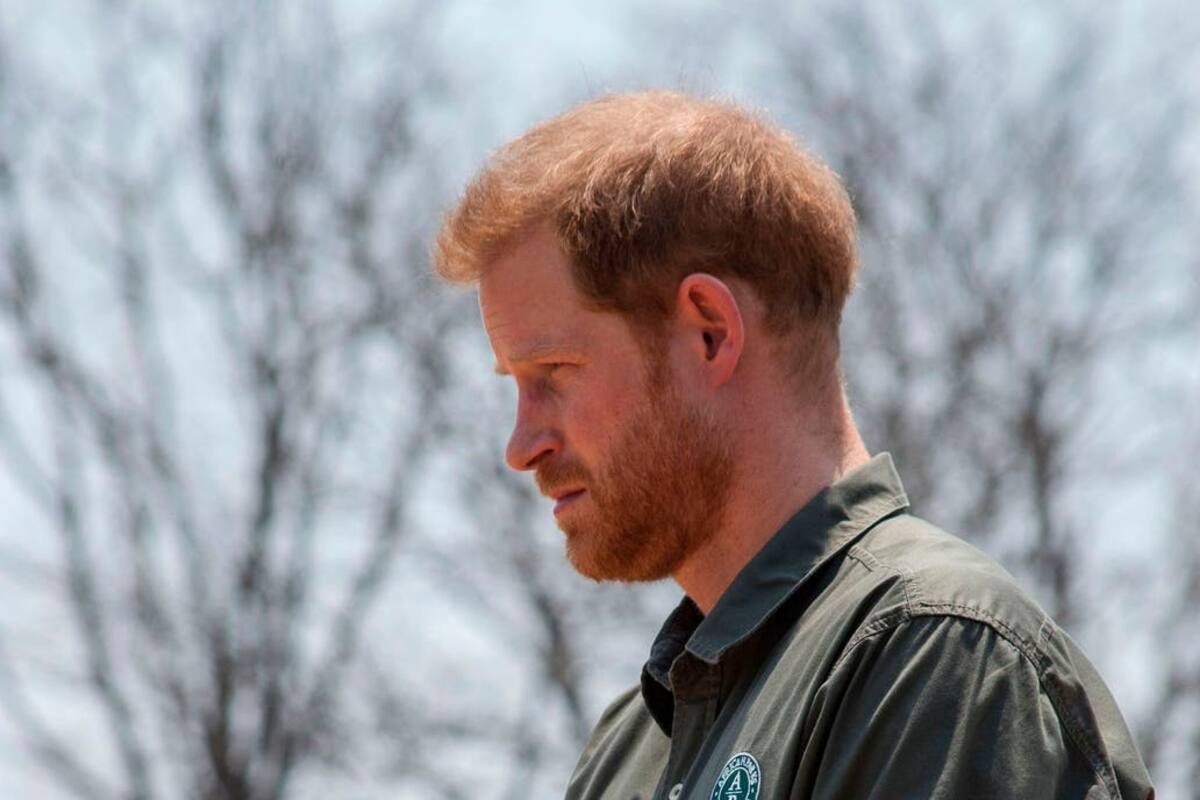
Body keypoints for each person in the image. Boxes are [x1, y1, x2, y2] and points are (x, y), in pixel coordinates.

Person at [434, 91, 1154, 799]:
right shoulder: (628, 752)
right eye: (514, 385)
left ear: (709, 332)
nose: (521, 445)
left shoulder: (934, 655)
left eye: (554, 371)